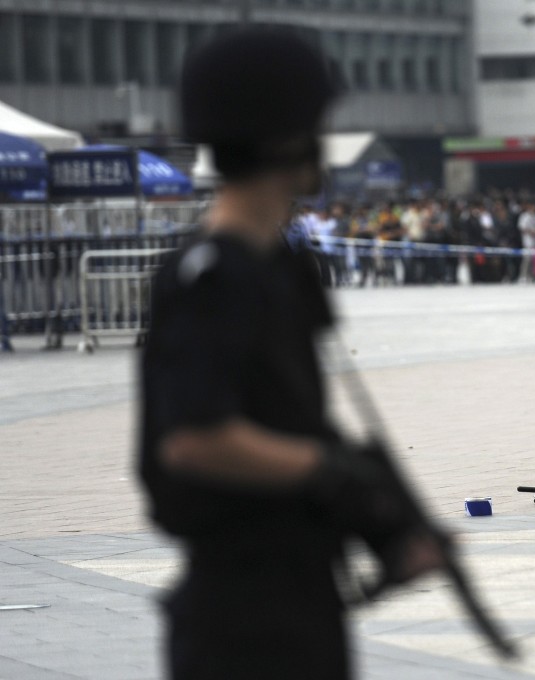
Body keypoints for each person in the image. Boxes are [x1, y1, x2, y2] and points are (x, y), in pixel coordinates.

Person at [138, 28, 444, 679]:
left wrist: (383, 522)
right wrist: (333, 474)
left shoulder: (277, 264)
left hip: (298, 593)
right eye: (314, 123)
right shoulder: (212, 276)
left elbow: (291, 416)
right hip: (241, 615)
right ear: (282, 135)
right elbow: (194, 439)